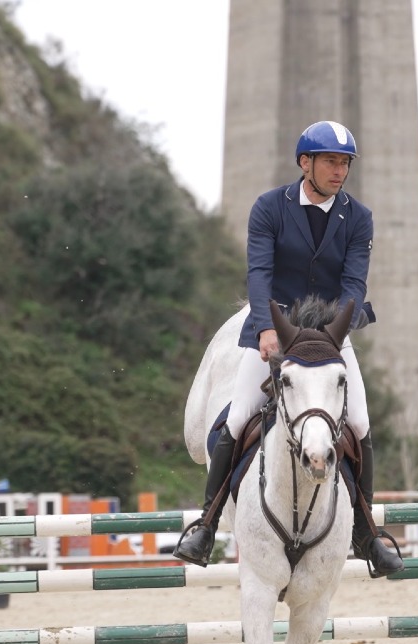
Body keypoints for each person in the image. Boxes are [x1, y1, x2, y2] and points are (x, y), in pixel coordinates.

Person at [173, 120, 404, 577]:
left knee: (357, 422)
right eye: (332, 162)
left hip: (330, 335)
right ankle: (206, 524)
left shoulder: (358, 217)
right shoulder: (268, 209)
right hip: (276, 327)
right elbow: (258, 274)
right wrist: (264, 328)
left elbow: (354, 283)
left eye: (345, 163)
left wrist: (336, 331)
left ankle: (366, 535)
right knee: (237, 418)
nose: (340, 171)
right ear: (306, 163)